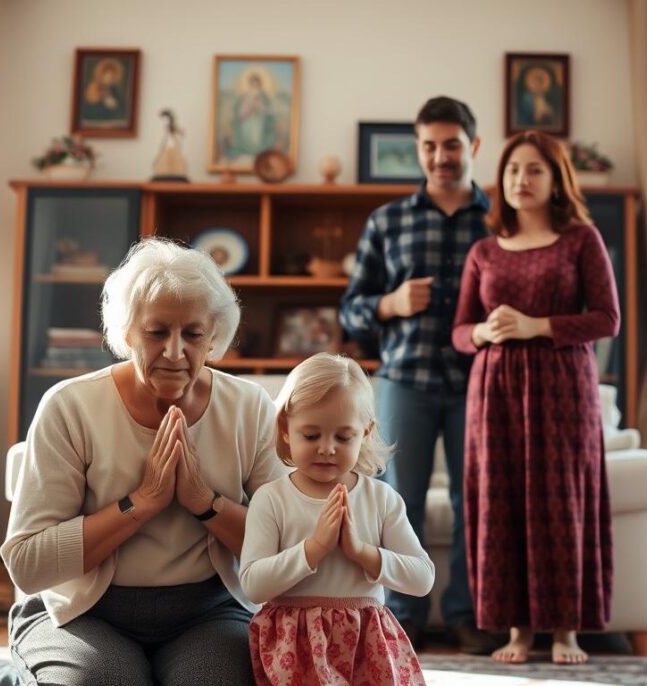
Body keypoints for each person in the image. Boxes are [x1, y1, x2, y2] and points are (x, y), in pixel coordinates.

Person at [0, 238, 287, 685]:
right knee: (108, 681)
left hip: (208, 611)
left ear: (213, 337)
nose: (175, 352)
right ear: (128, 333)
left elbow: (288, 544)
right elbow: (27, 562)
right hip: (82, 611)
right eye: (157, 333)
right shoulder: (70, 406)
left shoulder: (249, 407)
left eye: (193, 334)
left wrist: (204, 503)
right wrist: (141, 504)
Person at [339, 96, 499, 655]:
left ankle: (467, 616)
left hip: (480, 384)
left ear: (473, 147)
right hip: (404, 380)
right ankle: (401, 618)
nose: (440, 156)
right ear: (419, 150)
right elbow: (350, 311)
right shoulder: (387, 220)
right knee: (394, 502)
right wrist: (390, 303)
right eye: (429, 146)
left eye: (451, 145)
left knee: (472, 502)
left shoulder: (499, 220)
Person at [452, 131, 619, 665]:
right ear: (500, 181)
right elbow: (459, 330)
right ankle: (518, 632)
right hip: (495, 393)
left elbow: (607, 318)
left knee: (561, 500)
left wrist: (534, 324)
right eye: (512, 170)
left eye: (534, 170)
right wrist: (483, 334)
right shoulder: (483, 249)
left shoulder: (581, 240)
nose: (521, 180)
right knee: (502, 503)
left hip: (563, 389)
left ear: (556, 180)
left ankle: (566, 631)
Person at [240, 353, 434, 685]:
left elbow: (422, 578)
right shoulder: (271, 499)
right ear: (285, 429)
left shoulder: (381, 498)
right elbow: (253, 585)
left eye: (343, 438)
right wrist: (313, 549)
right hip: (295, 647)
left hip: (367, 644)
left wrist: (362, 553)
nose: (327, 448)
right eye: (312, 435)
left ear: (366, 433)